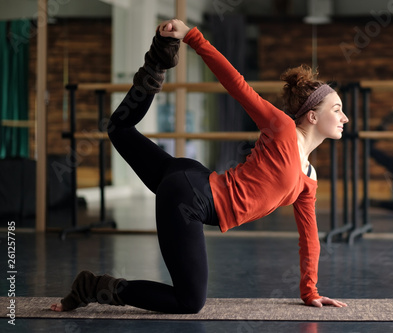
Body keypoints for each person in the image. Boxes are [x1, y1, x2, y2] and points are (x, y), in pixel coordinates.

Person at [50, 19, 348, 314]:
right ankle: (92, 287)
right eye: (337, 110)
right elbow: (237, 84)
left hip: (192, 179)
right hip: (190, 197)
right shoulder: (282, 129)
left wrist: (311, 292)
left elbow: (310, 237)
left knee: (119, 129)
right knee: (189, 302)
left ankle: (158, 61)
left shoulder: (309, 178)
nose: (344, 117)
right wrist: (192, 37)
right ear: (311, 117)